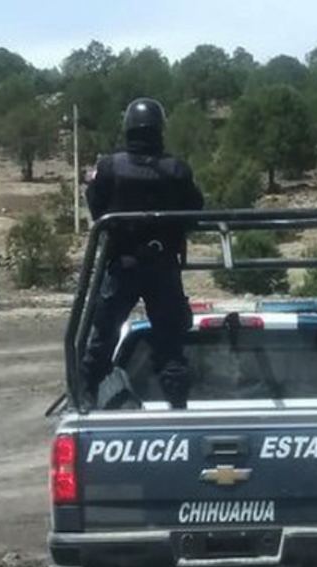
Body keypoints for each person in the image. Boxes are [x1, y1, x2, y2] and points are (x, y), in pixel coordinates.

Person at [79, 97, 205, 410]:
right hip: (163, 267)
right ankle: (178, 407)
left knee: (101, 340)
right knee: (170, 345)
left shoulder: (110, 167)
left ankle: (84, 400)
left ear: (129, 128)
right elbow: (195, 210)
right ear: (159, 128)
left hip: (121, 265)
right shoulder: (177, 170)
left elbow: (96, 205)